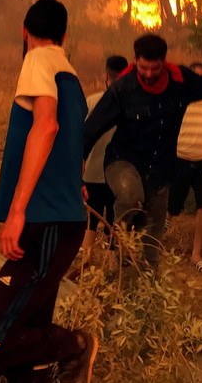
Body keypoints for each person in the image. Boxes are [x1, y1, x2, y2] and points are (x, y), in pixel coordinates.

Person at [0, 0, 97, 383]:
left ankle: (74, 345)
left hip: (44, 221)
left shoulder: (38, 59)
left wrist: (17, 212)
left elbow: (46, 128)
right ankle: (51, 359)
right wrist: (73, 183)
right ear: (65, 35)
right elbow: (72, 147)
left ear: (25, 31)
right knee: (27, 348)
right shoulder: (71, 76)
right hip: (61, 220)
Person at [83, 34, 202, 268]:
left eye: (154, 68)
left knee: (155, 225)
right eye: (143, 68)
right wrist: (79, 163)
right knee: (130, 195)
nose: (148, 74)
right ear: (135, 61)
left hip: (159, 167)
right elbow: (91, 129)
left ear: (164, 62)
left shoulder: (180, 81)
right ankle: (120, 250)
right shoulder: (122, 88)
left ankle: (149, 274)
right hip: (122, 161)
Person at [166, 62, 202, 274]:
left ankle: (196, 254)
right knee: (173, 206)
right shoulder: (178, 98)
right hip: (180, 157)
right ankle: (158, 239)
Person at [81, 55, 128, 257]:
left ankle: (86, 261)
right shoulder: (131, 106)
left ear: (105, 76)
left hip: (91, 173)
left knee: (91, 219)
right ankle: (110, 268)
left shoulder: (92, 101)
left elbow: (80, 136)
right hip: (118, 175)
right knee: (114, 221)